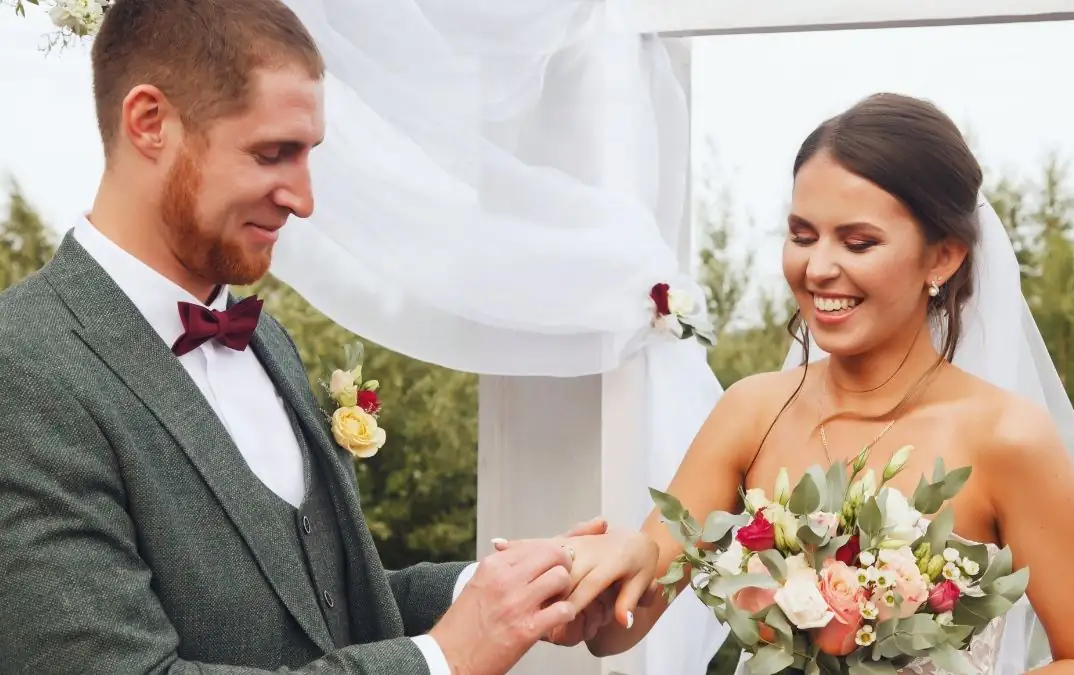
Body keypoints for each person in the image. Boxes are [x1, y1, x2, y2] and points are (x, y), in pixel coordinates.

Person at [0, 0, 658, 673]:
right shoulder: (23, 366)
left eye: (308, 155)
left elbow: (331, 606)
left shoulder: (267, 342)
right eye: (272, 154)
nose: (304, 199)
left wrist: (522, 587)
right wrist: (447, 657)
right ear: (150, 122)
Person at [507, 93, 1074, 673]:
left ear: (942, 257)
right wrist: (604, 578)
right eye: (802, 236)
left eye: (858, 243)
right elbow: (619, 630)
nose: (818, 268)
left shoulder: (1007, 437)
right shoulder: (751, 412)